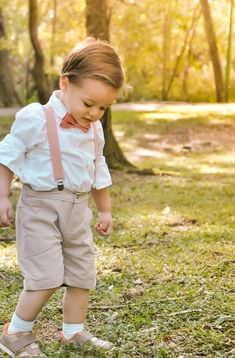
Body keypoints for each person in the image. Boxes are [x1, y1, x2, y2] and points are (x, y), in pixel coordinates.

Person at [0, 37, 126, 357]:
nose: (95, 113)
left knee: (82, 274)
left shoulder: (93, 127)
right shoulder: (36, 117)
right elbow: (7, 157)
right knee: (46, 278)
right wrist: (3, 197)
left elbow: (98, 167)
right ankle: (15, 332)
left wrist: (105, 210)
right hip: (40, 207)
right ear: (65, 83)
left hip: (78, 208)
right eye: (89, 103)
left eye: (103, 107)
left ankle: (73, 332)